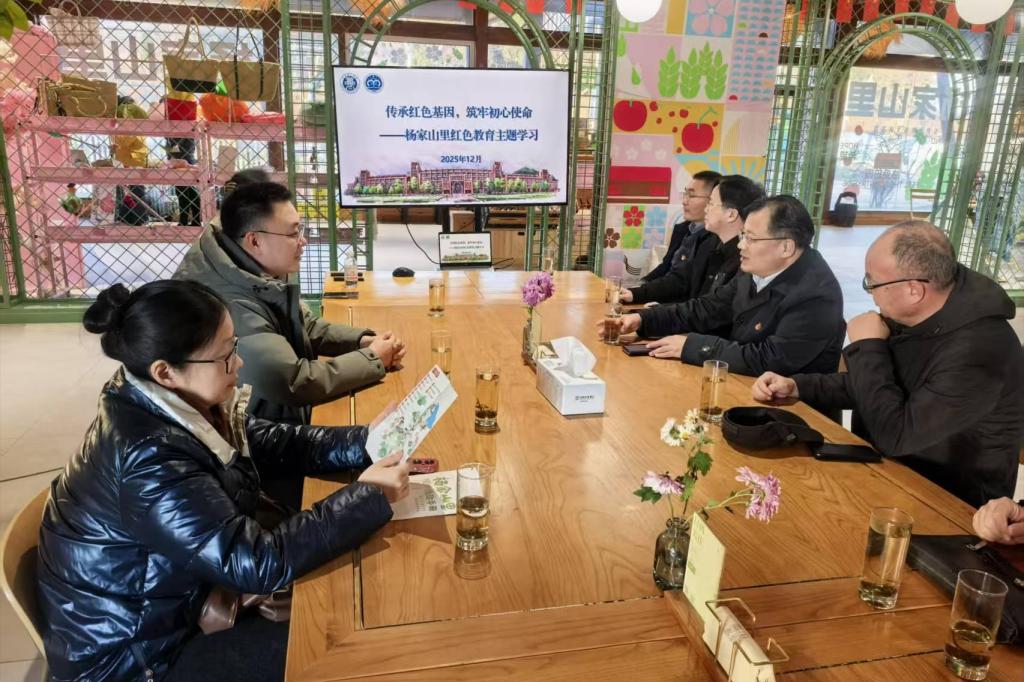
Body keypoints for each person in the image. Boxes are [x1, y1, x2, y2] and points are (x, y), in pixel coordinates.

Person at [37, 281, 410, 681]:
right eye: (226, 355)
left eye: (234, 346)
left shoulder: (160, 396)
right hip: (140, 659)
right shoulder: (148, 457)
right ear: (165, 371)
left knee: (342, 591)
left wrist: (364, 441)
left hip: (180, 605)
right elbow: (256, 563)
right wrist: (366, 496)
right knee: (339, 637)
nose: (239, 363)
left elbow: (270, 440)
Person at [752, 220, 1024, 507]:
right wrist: (797, 386)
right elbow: (878, 384)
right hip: (890, 472)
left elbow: (894, 436)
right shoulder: (928, 314)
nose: (870, 292)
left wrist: (868, 346)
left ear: (914, 290)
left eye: (872, 283)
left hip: (951, 504)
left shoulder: (978, 350)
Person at [175, 181, 405, 427]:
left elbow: (305, 325)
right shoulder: (227, 300)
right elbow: (291, 381)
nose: (303, 241)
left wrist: (362, 341)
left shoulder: (248, 267)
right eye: (293, 234)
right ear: (254, 241)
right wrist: (373, 358)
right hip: (257, 435)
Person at [606, 195, 845, 377]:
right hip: (739, 381)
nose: (741, 246)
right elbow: (708, 308)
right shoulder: (756, 269)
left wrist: (693, 346)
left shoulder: (816, 295)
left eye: (751, 238)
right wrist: (643, 319)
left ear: (786, 247)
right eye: (742, 236)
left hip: (790, 409)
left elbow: (770, 359)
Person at [622, 174, 762, 307]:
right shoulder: (708, 244)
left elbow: (710, 310)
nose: (706, 209)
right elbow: (681, 280)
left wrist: (660, 312)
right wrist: (635, 294)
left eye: (711, 203)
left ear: (731, 214)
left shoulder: (745, 259)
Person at [622, 170, 722, 303]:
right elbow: (666, 267)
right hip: (665, 299)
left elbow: (681, 282)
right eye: (685, 194)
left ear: (712, 201)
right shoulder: (683, 229)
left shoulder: (715, 240)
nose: (684, 201)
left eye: (692, 196)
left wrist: (638, 293)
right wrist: (640, 285)